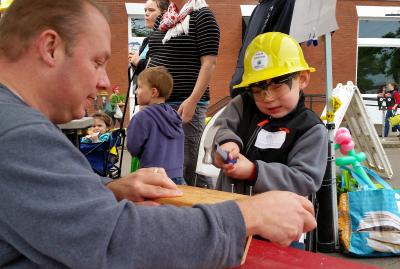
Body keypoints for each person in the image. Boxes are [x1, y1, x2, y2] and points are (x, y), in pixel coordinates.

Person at [0, 1, 317, 268]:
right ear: (50, 48)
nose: (102, 81)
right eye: (97, 62)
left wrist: (109, 188)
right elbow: (118, 241)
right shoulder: (19, 134)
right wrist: (247, 213)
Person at [213, 32, 328, 198]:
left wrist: (254, 172)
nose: (268, 98)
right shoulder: (243, 105)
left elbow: (305, 180)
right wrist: (225, 143)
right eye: (258, 90)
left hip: (277, 220)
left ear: (302, 79)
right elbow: (218, 129)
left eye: (277, 87)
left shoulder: (311, 129)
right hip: (230, 208)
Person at [147, 0, 219, 187]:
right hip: (159, 104)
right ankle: (174, 210)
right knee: (164, 165)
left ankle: (205, 208)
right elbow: (154, 56)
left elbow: (209, 64)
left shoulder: (202, 16)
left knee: (188, 165)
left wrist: (193, 101)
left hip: (184, 104)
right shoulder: (162, 19)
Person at [126, 66, 186, 185]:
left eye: (139, 87)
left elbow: (133, 147)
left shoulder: (141, 117)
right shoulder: (174, 116)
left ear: (153, 92)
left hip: (152, 178)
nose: (136, 91)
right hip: (178, 178)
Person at [128, 0, 169, 74]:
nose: (146, 13)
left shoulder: (167, 38)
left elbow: (162, 69)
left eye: (151, 10)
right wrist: (134, 63)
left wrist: (139, 62)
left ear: (165, 14)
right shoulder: (147, 40)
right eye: (145, 10)